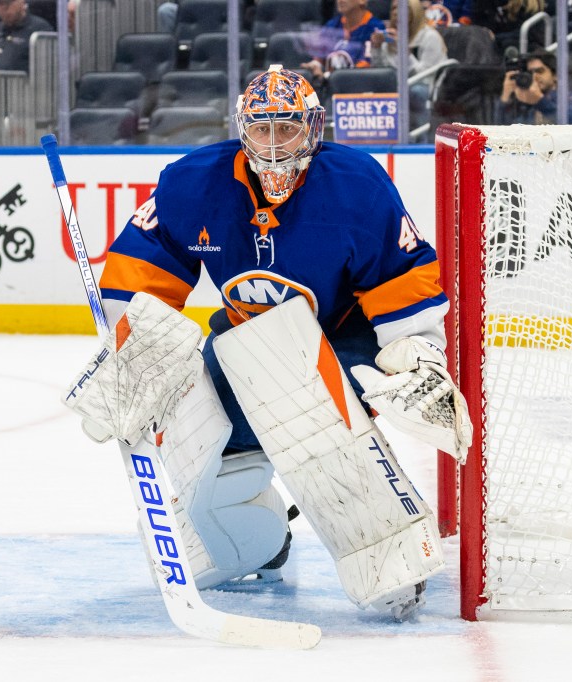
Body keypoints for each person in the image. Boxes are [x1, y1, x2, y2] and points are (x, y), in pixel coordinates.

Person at [64, 66, 470, 621]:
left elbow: (402, 280)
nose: (275, 145)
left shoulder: (357, 185)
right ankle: (251, 540)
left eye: (288, 129)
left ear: (314, 129)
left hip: (339, 336)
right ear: (242, 129)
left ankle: (389, 555)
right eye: (262, 129)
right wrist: (134, 356)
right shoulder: (193, 182)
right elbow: (140, 277)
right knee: (194, 423)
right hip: (244, 339)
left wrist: (417, 356)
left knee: (321, 431)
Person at [369, 0, 448, 131]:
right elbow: (380, 70)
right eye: (393, 8)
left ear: (415, 11)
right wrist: (376, 48)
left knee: (414, 91)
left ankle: (419, 139)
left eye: (401, 8)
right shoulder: (390, 37)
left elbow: (425, 76)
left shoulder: (429, 36)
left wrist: (404, 50)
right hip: (398, 86)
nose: (395, 12)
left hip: (428, 87)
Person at [496, 50, 572, 125]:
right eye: (530, 73)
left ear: (555, 75)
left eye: (540, 71)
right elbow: (504, 130)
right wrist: (505, 98)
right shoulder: (525, 102)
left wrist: (541, 102)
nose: (534, 77)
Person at [301, 0, 387, 79]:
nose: (340, 1)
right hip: (330, 86)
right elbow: (319, 59)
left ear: (362, 1)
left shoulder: (375, 28)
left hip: (360, 85)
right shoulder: (331, 25)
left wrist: (329, 76)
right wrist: (315, 65)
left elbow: (365, 68)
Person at [0, 0, 53, 72]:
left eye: (8, 3)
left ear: (22, 2)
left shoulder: (40, 29)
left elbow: (46, 70)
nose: (3, 8)